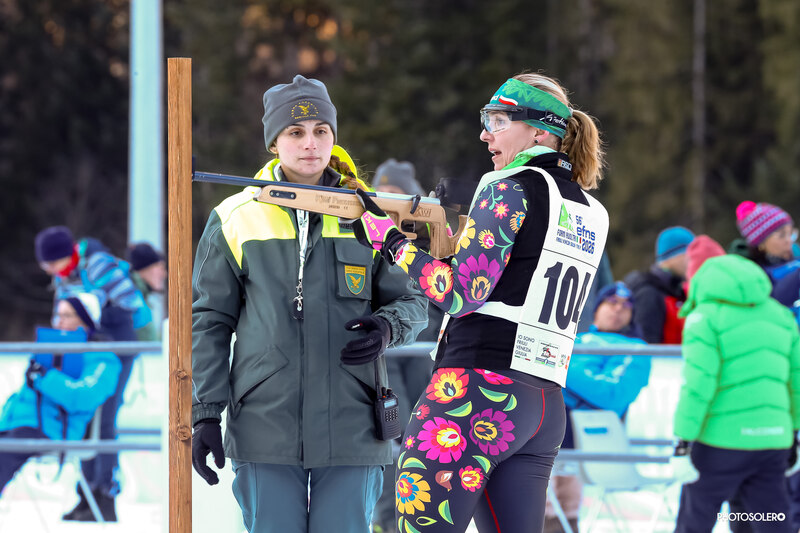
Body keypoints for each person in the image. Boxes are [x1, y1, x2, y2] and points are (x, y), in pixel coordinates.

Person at [349, 72, 609, 532]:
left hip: (474, 394)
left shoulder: (507, 185)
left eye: (498, 121)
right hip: (543, 402)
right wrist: (444, 242)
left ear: (539, 131)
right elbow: (519, 277)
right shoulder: (591, 210)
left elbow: (459, 294)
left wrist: (390, 242)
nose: (485, 134)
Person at [190, 74, 428, 533]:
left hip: (355, 421)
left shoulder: (372, 216)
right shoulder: (235, 218)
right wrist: (204, 413)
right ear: (273, 142)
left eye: (321, 130)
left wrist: (388, 327)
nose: (310, 143)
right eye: (295, 132)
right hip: (264, 424)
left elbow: (414, 298)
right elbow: (210, 322)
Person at [672, 254, 800, 533]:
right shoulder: (781, 316)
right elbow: (796, 381)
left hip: (720, 444)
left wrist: (683, 441)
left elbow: (698, 383)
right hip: (772, 442)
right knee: (769, 523)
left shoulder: (705, 317)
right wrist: (794, 433)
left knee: (696, 521)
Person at [34, 225, 151, 521]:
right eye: (45, 265)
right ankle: (86, 495)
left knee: (106, 419)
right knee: (85, 417)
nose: (49, 270)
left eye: (51, 262)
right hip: (84, 350)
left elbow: (130, 302)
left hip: (116, 350)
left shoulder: (98, 265)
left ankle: (106, 495)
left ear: (66, 254)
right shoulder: (63, 277)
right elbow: (62, 314)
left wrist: (91, 310)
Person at [0, 292, 121, 513]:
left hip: (53, 428)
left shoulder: (103, 358)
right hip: (18, 423)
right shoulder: (47, 349)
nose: (59, 321)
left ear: (85, 320)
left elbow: (83, 397)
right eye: (58, 314)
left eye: (67, 315)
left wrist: (44, 377)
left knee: (6, 452)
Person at [543, 281, 650, 532]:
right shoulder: (573, 339)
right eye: (611, 302)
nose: (618, 309)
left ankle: (558, 521)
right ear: (597, 307)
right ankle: (550, 521)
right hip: (553, 426)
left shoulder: (636, 348)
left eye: (626, 305)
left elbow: (612, 395)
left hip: (592, 436)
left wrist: (561, 366)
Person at [370, 158, 438, 533]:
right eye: (380, 194)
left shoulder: (433, 238)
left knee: (422, 434)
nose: (386, 203)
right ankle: (388, 520)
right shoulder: (366, 233)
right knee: (391, 433)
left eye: (394, 195)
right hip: (386, 348)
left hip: (424, 349)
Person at [624, 225, 695, 344]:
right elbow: (646, 344)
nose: (692, 261)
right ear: (673, 256)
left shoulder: (675, 290)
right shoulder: (649, 293)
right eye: (689, 255)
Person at [734, 201, 799, 286]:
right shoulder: (758, 278)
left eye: (790, 233)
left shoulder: (796, 253)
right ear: (761, 244)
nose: (789, 240)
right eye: (781, 235)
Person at [126, 242, 167, 341]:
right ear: (145, 268)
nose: (164, 274)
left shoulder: (137, 297)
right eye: (160, 268)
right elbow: (149, 343)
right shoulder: (136, 302)